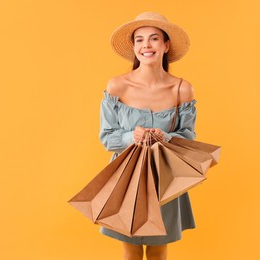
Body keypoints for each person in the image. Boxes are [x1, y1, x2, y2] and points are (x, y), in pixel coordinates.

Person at [99, 12, 197, 260]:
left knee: (158, 251)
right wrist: (131, 136)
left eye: (154, 39)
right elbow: (107, 137)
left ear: (166, 45)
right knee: (130, 251)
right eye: (140, 40)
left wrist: (164, 136)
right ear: (134, 47)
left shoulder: (182, 89)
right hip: (125, 178)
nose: (147, 45)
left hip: (165, 179)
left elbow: (189, 141)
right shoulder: (116, 86)